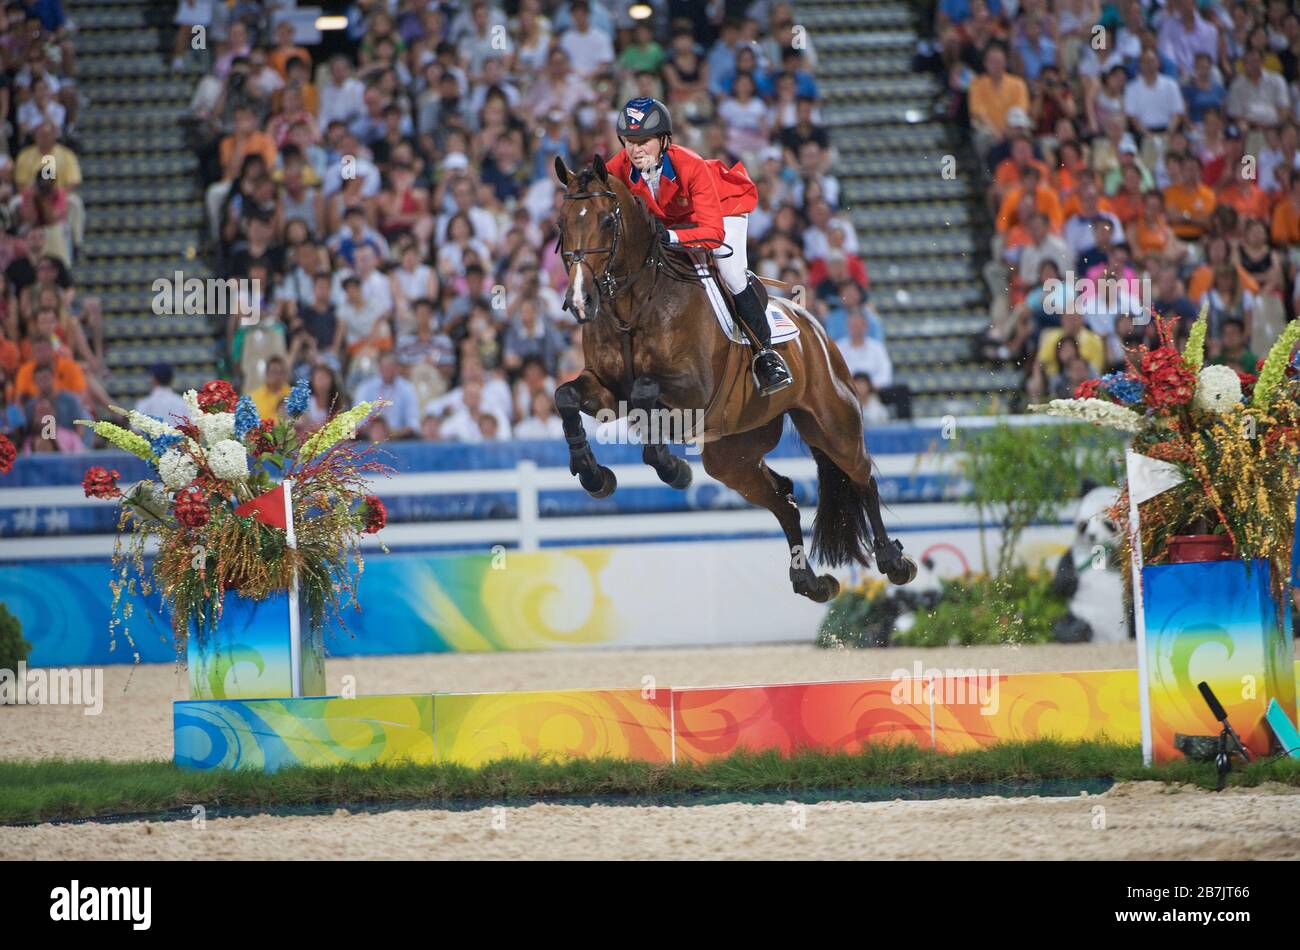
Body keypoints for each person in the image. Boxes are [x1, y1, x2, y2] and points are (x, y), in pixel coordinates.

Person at [601, 97, 793, 396]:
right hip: (676, 221)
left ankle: (765, 355)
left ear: (664, 140)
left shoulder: (689, 165)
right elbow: (596, 184)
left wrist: (672, 238)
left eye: (644, 141)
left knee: (729, 272)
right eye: (629, 141)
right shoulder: (621, 164)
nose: (635, 150)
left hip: (723, 211)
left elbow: (713, 233)